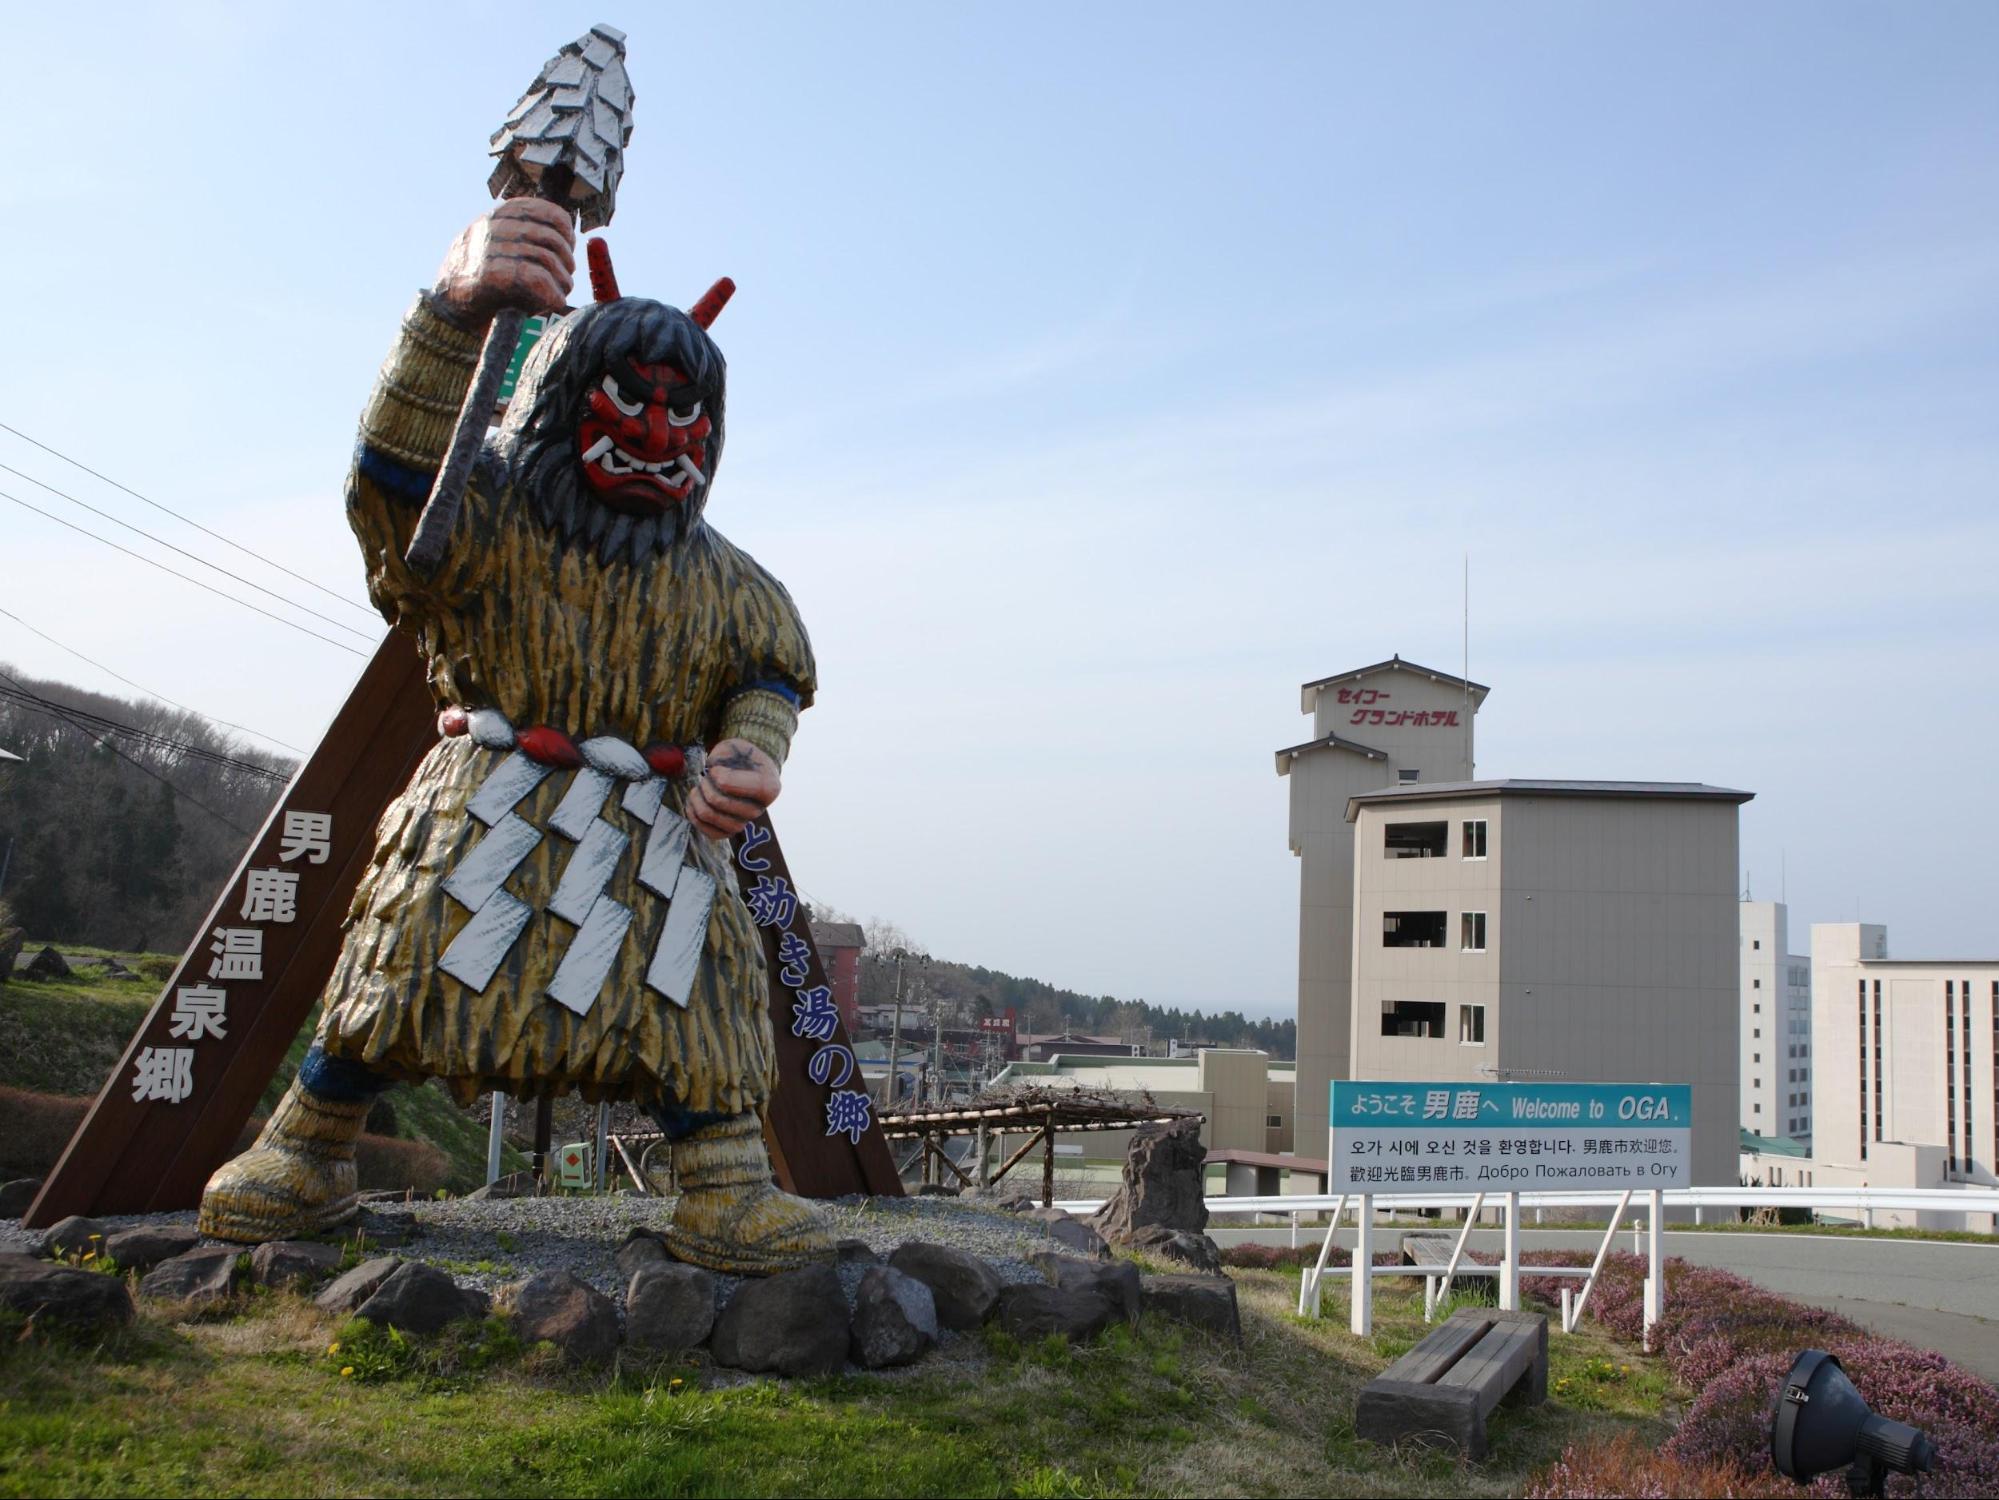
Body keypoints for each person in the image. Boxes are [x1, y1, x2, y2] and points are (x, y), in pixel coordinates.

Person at [198, 200, 833, 1274]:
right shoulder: (483, 512)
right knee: (402, 967)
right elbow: (394, 485)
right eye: (628, 400)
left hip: (655, 834)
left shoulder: (729, 580)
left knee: (696, 996)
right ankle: (307, 1146)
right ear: (563, 396)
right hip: (492, 799)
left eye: (687, 415)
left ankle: (725, 1183)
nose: (655, 433)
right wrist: (451, 316)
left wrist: (751, 751)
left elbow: (767, 677)